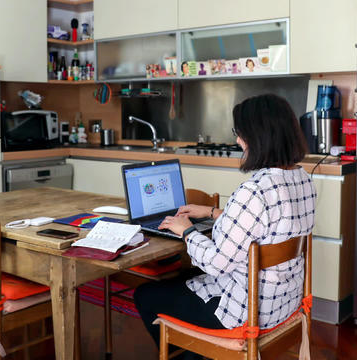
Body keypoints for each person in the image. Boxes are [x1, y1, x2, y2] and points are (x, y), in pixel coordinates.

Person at [134, 94, 317, 357]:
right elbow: (268, 225)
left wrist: (186, 230)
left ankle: (193, 353)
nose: (237, 140)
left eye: (239, 133)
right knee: (183, 281)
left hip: (246, 313)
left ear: (257, 136)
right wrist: (212, 211)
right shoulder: (302, 179)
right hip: (284, 304)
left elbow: (216, 263)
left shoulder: (255, 190)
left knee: (146, 294)